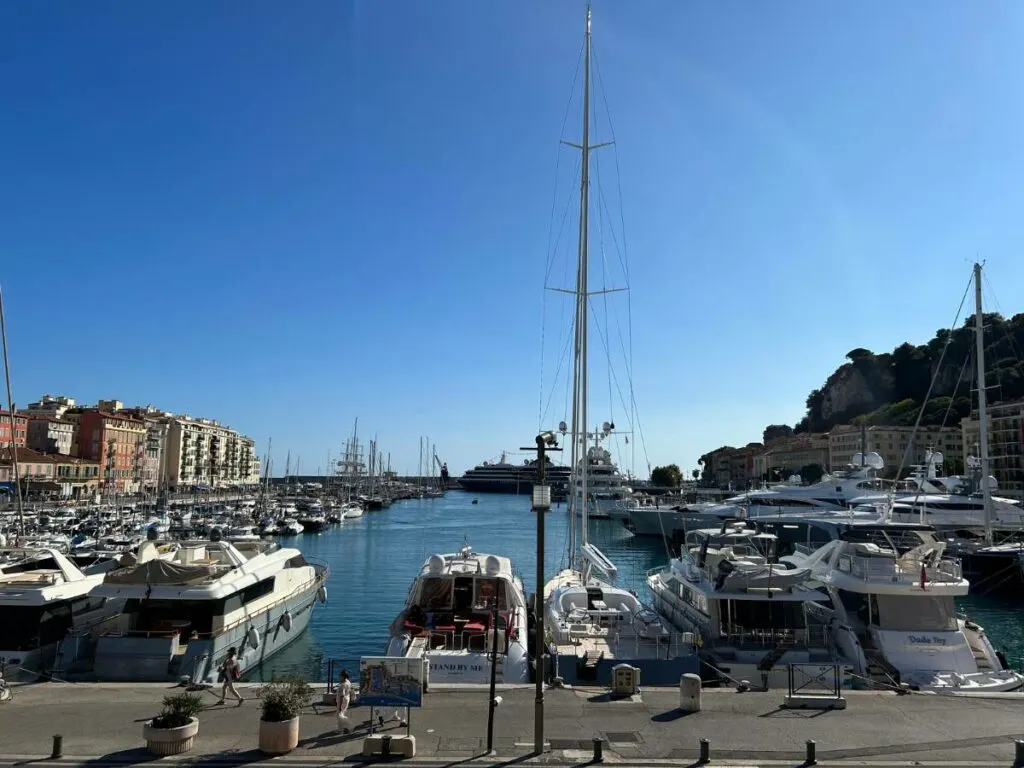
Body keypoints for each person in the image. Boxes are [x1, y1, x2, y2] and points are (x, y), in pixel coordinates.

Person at [336, 669, 353, 733]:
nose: (339, 677)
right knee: (341, 714)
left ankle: (350, 725)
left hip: (342, 701)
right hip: (347, 699)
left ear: (343, 676)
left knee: (339, 715)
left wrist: (339, 705)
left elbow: (342, 695)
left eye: (340, 676)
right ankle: (340, 729)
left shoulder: (343, 685)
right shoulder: (348, 682)